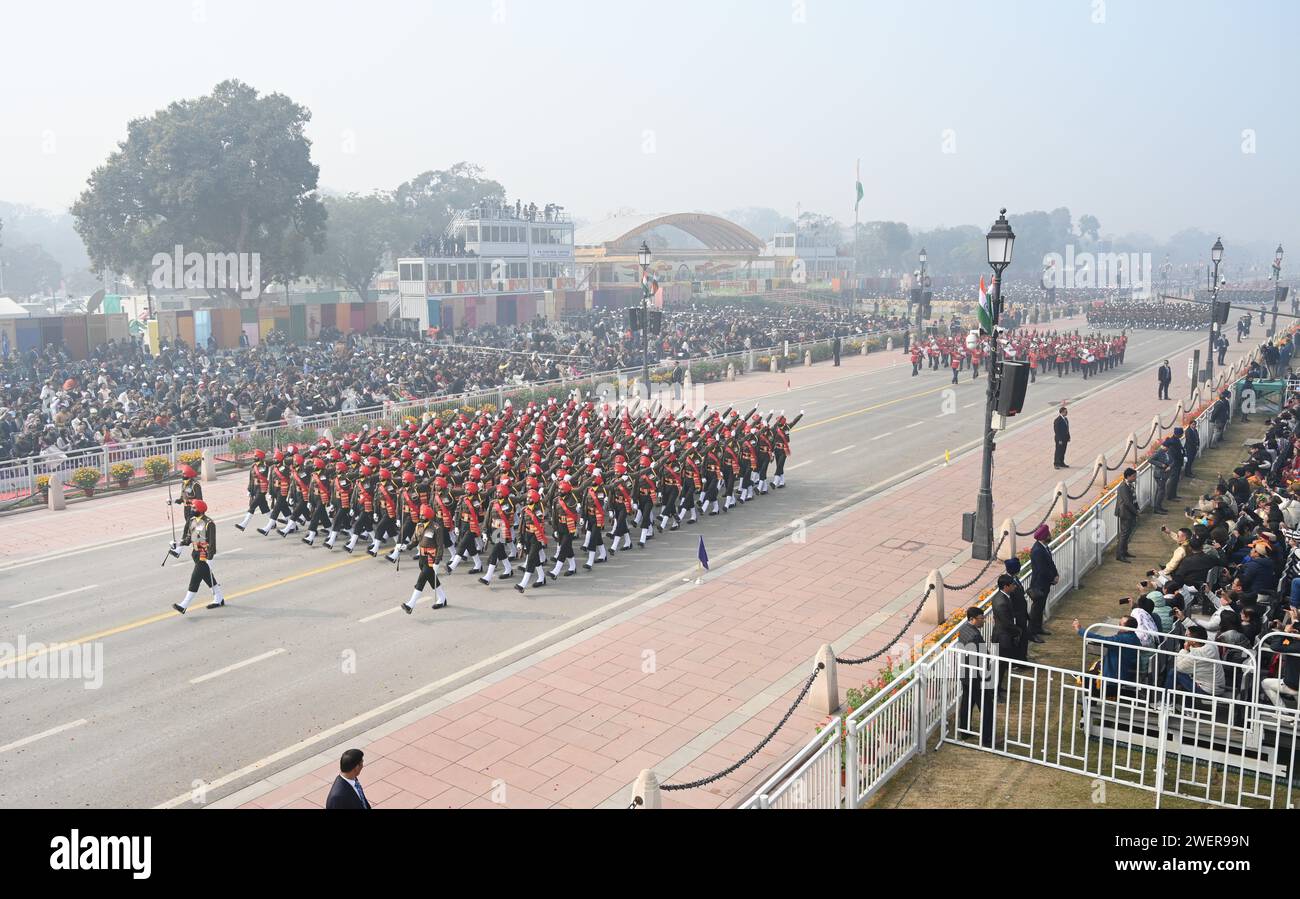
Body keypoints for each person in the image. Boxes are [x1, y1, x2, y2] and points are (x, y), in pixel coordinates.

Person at [170, 499, 225, 614]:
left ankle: (184, 605)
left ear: (200, 510)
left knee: (194, 579)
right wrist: (178, 544)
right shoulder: (193, 521)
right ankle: (219, 598)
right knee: (207, 577)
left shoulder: (209, 523)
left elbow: (212, 543)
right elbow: (190, 538)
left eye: (194, 508)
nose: (192, 509)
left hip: (203, 556)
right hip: (195, 554)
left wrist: (209, 558)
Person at [953, 606, 996, 747]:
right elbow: (983, 657)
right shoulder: (975, 636)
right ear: (972, 619)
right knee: (987, 707)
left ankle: (965, 731)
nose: (983, 621)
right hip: (976, 676)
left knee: (967, 702)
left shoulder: (964, 629)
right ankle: (987, 739)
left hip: (965, 674)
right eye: (981, 619)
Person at [1027, 523, 1058, 642]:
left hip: (1045, 584)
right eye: (1048, 534)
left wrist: (1056, 574)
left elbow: (1050, 562)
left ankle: (1038, 628)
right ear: (1044, 536)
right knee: (1036, 610)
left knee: (1040, 608)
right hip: (1039, 585)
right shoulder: (1037, 551)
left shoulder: (1044, 547)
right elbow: (1042, 569)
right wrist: (1052, 578)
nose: (1050, 535)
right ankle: (1032, 633)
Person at [1115, 466, 1139, 562]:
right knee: (1124, 534)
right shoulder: (1123, 487)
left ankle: (1124, 551)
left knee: (1127, 533)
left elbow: (1133, 498)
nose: (1135, 478)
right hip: (1125, 513)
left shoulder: (1129, 484)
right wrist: (1136, 512)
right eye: (1133, 476)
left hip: (1130, 512)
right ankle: (1120, 554)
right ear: (1128, 476)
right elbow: (1127, 502)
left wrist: (1137, 508)